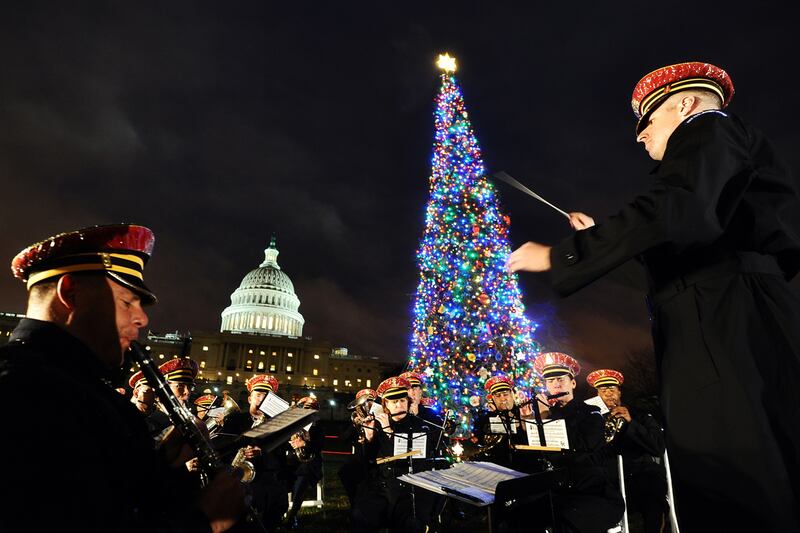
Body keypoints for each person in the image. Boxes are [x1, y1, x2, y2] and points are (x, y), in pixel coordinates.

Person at [508, 61, 800, 531]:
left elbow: (672, 208)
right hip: (720, 311)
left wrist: (566, 254)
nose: (640, 137)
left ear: (684, 104)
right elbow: (674, 250)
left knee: (734, 476)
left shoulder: (708, 126)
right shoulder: (717, 167)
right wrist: (607, 241)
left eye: (647, 122)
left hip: (723, 317)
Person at [0, 224, 244, 532]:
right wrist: (204, 521)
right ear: (70, 293)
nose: (142, 318)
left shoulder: (72, 386)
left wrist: (160, 463)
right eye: (127, 301)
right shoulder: (22, 393)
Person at [532, 353, 625, 533]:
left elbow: (585, 449)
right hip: (558, 489)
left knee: (564, 519)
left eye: (560, 379)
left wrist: (546, 418)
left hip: (593, 492)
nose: (555, 384)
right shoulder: (545, 415)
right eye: (550, 381)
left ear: (573, 383)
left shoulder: (591, 412)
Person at [352, 377, 444, 533]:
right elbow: (366, 461)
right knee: (361, 515)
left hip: (411, 482)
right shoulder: (377, 423)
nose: (399, 405)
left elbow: (407, 457)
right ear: (386, 405)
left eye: (402, 400)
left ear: (408, 402)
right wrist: (368, 437)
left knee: (410, 521)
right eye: (393, 402)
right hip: (384, 483)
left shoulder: (418, 424)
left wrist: (389, 432)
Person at [586, 369, 667, 533]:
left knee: (653, 494)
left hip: (640, 477)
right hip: (609, 480)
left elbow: (657, 447)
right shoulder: (592, 420)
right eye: (603, 391)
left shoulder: (641, 415)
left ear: (619, 392)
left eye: (612, 390)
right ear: (597, 395)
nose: (608, 394)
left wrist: (631, 423)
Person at [223, 374, 289, 533]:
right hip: (235, 476)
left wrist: (263, 453)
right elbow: (223, 447)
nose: (261, 399)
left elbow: (281, 460)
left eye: (266, 397)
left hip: (264, 478)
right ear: (249, 399)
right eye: (258, 395)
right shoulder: (235, 420)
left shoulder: (278, 425)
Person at [285, 396, 324, 529]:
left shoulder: (318, 427)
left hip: (310, 463)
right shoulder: (293, 426)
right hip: (292, 461)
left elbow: (320, 445)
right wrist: (290, 443)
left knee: (301, 479)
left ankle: (293, 514)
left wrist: (305, 443)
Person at [130, 369, 172, 441]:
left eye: (157, 392)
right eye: (150, 391)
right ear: (136, 393)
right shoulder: (127, 414)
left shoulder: (158, 414)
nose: (155, 395)